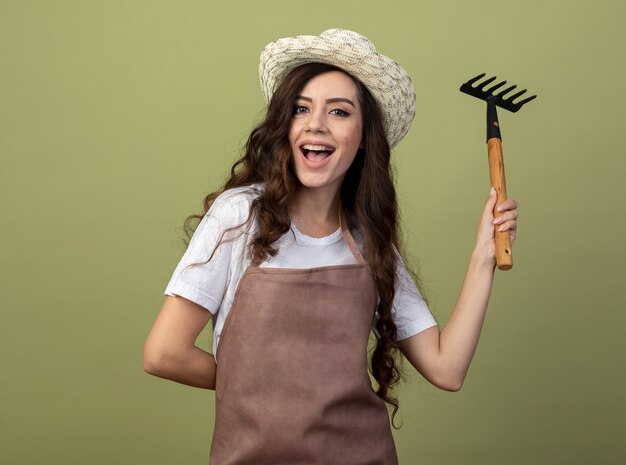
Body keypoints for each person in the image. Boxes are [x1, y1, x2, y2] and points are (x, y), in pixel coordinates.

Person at [143, 29, 518, 464]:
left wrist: (482, 256)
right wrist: (265, 387)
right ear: (285, 126)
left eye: (339, 111)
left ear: (362, 138)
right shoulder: (240, 216)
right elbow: (163, 353)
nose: (316, 123)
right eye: (301, 108)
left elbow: (446, 368)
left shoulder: (366, 240)